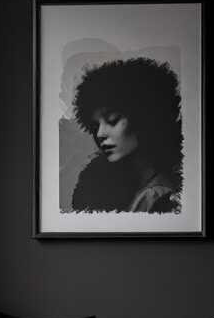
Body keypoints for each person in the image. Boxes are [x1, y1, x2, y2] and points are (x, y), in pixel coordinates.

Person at [71, 57, 183, 213]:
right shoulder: (108, 188)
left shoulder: (161, 197)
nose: (100, 133)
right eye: (95, 125)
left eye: (112, 120)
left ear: (143, 118)